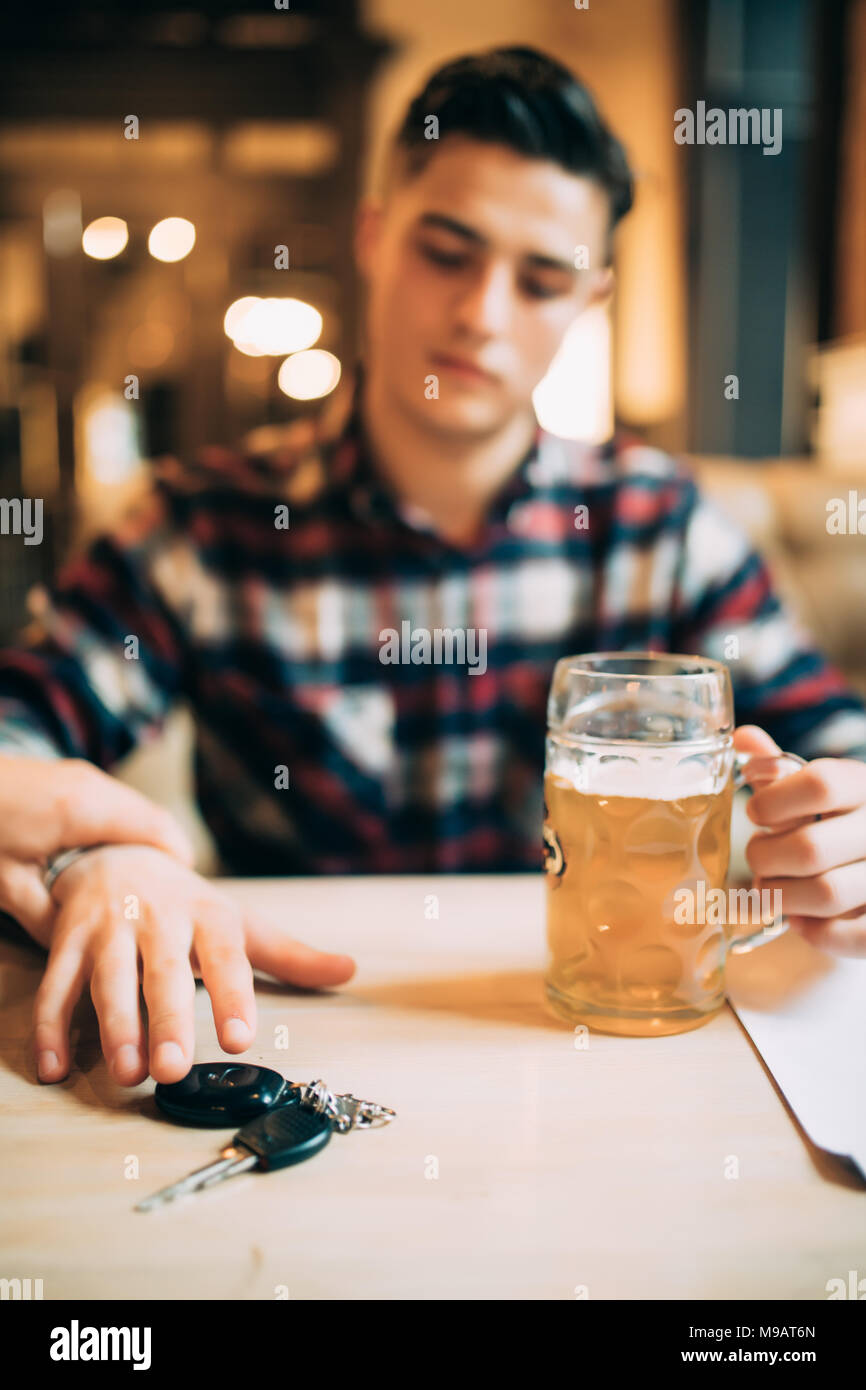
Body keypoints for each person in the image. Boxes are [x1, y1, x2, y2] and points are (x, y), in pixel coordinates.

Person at [1, 47, 864, 1090]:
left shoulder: (656, 523)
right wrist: (105, 855)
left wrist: (841, 832)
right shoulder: (198, 527)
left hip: (593, 1070)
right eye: (446, 251)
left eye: (539, 278)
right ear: (372, 237)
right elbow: (18, 743)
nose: (482, 314)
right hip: (286, 1051)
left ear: (588, 297)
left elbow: (836, 758)